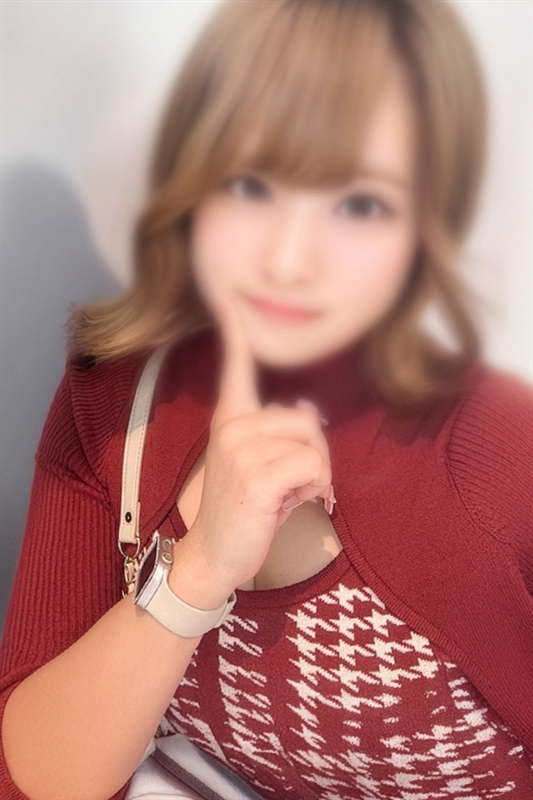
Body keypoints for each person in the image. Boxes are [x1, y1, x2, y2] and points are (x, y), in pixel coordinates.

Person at [1, 0, 532, 798]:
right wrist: (198, 570)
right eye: (251, 183)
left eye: (359, 204)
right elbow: (31, 776)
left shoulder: (502, 450)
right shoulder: (113, 397)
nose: (287, 260)